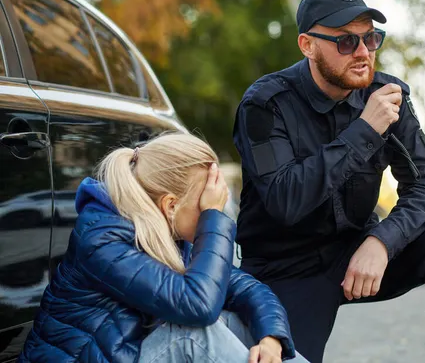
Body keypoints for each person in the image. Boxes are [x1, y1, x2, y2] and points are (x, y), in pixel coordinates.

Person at [233, 0, 425, 363]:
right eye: (345, 42)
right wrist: (365, 131)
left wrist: (383, 241)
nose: (363, 53)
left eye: (371, 38)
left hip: (359, 251)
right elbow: (286, 201)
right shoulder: (265, 103)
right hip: (286, 267)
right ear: (307, 45)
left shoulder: (388, 94)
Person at [19, 133, 309, 363]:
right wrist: (215, 222)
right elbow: (198, 306)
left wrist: (271, 339)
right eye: (206, 204)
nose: (215, 209)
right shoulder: (102, 240)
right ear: (170, 205)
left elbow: (248, 290)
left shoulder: (169, 233)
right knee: (191, 335)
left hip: (130, 352)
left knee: (238, 321)